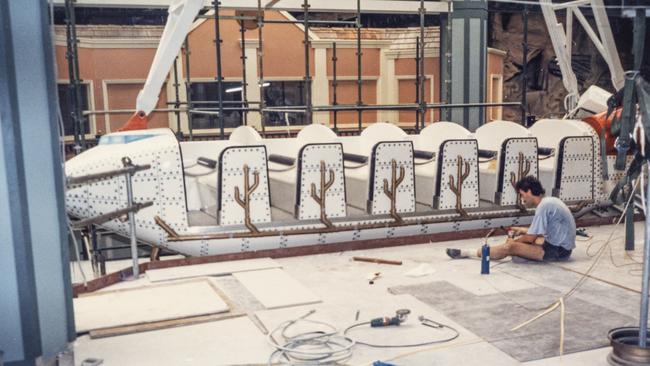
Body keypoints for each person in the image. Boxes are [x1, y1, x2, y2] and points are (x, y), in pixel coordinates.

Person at [446, 175, 575, 261]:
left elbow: (530, 238)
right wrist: (522, 229)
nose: (522, 198)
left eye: (522, 194)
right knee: (528, 242)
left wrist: (513, 242)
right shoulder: (549, 201)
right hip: (563, 248)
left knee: (511, 248)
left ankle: (468, 253)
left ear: (529, 191)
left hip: (557, 252)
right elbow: (543, 230)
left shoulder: (543, 207)